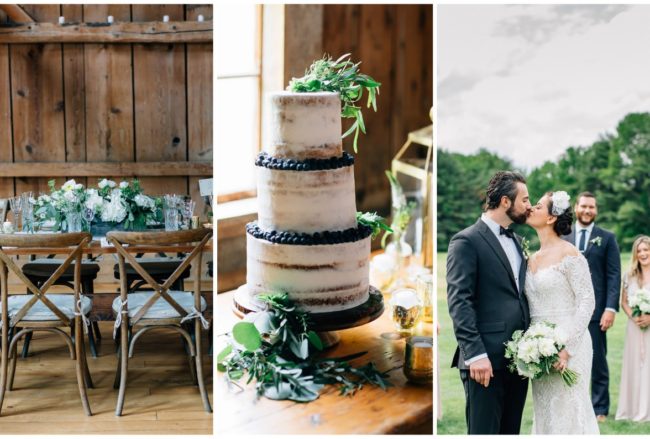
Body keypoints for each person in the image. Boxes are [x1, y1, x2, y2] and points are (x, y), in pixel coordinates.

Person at [447, 171, 531, 434]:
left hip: (519, 360)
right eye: (525, 200)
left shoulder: (517, 241)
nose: (529, 205)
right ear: (506, 202)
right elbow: (460, 300)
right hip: (484, 362)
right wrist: (475, 355)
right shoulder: (466, 241)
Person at [524, 190, 599, 434]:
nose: (531, 208)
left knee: (570, 410)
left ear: (550, 218)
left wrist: (567, 349)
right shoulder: (530, 258)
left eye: (537, 206)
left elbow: (587, 301)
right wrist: (531, 347)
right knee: (545, 412)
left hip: (570, 347)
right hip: (537, 351)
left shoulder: (570, 253)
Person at [561, 192, 621, 421]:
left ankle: (600, 408)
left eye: (592, 207)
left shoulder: (607, 238)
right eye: (584, 206)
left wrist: (610, 308)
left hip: (596, 312)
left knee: (597, 360)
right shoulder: (564, 236)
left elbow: (614, 275)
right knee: (567, 357)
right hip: (567, 310)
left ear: (596, 210)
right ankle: (571, 407)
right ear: (576, 207)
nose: (587, 210)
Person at [615, 235, 650, 422]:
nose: (643, 253)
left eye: (646, 249)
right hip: (634, 327)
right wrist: (635, 317)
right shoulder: (629, 275)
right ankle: (631, 408)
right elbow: (624, 301)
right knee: (634, 365)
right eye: (640, 250)